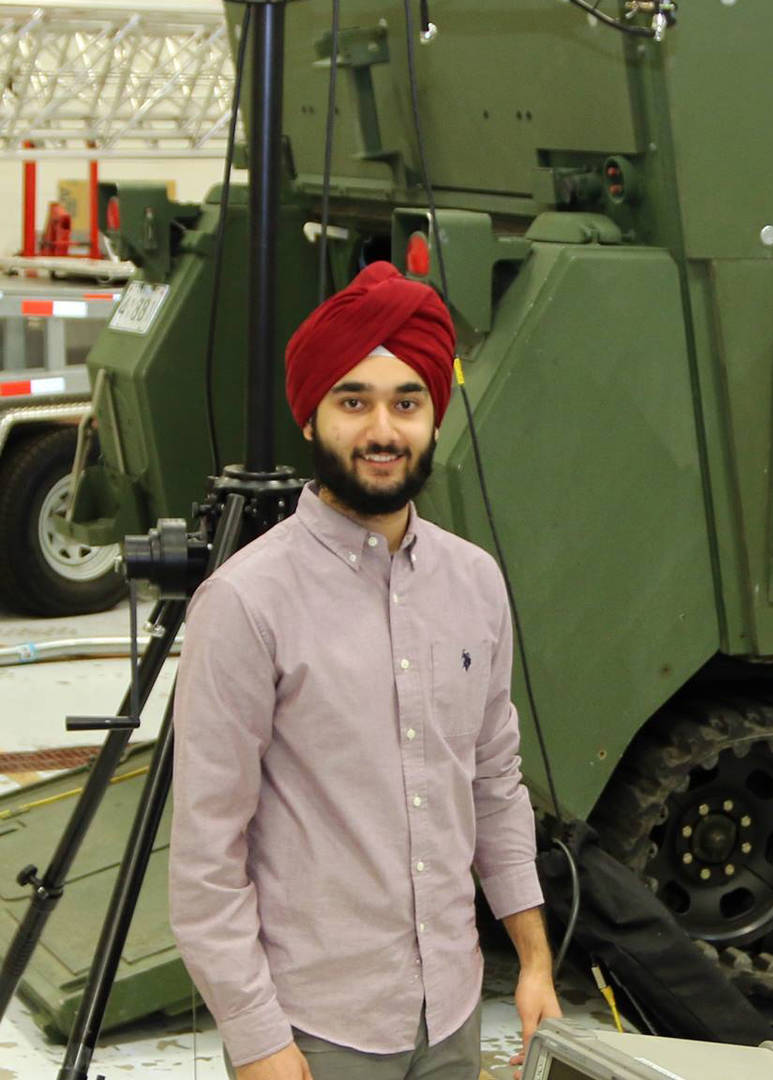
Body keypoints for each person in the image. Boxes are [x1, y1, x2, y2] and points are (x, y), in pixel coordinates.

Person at [170, 261, 562, 1080]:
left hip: (452, 1013)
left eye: (406, 402)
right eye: (354, 401)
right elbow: (208, 853)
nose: (383, 429)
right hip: (317, 1031)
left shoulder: (475, 583)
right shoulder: (246, 603)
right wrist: (256, 1038)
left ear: (433, 418)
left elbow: (494, 783)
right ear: (312, 419)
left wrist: (532, 957)